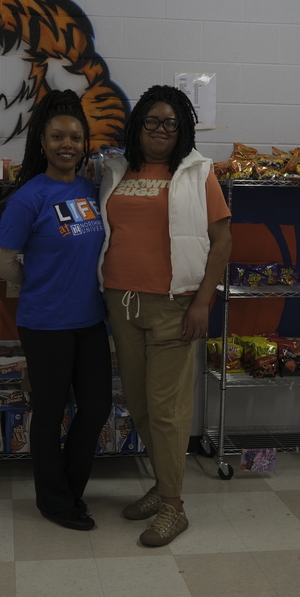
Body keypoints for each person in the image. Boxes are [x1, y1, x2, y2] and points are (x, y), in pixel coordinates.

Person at [97, 84, 232, 547]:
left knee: (168, 409)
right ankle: (161, 485)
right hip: (122, 302)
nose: (160, 131)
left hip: (174, 305)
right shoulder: (117, 169)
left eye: (170, 124)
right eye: (152, 121)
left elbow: (222, 242)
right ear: (139, 125)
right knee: (139, 404)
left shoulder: (198, 172)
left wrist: (202, 303)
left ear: (182, 130)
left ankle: (174, 507)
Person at [0, 90, 112, 531]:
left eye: (76, 137)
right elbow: (0, 262)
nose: (67, 144)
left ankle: (69, 489)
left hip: (91, 321)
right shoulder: (29, 197)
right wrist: (38, 284)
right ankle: (54, 501)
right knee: (50, 413)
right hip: (45, 324)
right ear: (42, 142)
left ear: (85, 143)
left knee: (96, 407)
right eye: (58, 136)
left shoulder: (92, 189)